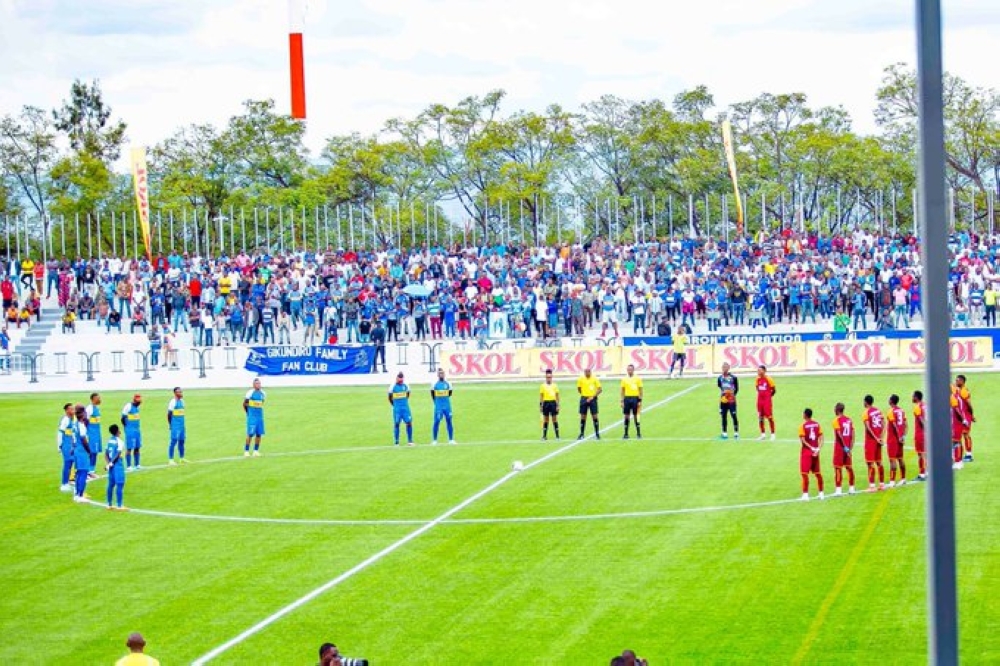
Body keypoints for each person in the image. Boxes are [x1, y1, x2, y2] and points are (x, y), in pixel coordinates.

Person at [798, 408, 824, 501]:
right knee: (818, 473)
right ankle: (821, 494)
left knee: (804, 473)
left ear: (805, 415)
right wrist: (818, 448)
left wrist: (811, 447)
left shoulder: (803, 426)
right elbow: (821, 437)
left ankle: (805, 495)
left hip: (806, 452)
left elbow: (803, 440)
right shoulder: (817, 424)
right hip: (816, 452)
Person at [862, 394, 885, 491]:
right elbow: (884, 424)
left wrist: (875, 438)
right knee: (879, 462)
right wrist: (881, 437)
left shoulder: (866, 412)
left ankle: (872, 486)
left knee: (870, 463)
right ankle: (882, 484)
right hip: (879, 440)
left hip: (871, 441)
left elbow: (868, 427)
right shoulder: (878, 411)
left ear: (866, 402)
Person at [832, 402, 856, 495]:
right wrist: (850, 448)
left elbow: (839, 434)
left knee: (838, 468)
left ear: (837, 410)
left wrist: (845, 447)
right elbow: (853, 434)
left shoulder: (836, 420)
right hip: (848, 447)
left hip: (840, 447)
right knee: (849, 467)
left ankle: (838, 490)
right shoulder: (849, 420)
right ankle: (852, 488)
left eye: (834, 409)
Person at [429, 368, 455, 445]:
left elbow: (450, 393)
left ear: (444, 374)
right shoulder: (434, 384)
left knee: (449, 421)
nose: (441, 375)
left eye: (442, 373)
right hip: (438, 406)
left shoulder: (448, 384)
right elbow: (432, 394)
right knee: (437, 421)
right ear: (437, 375)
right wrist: (436, 402)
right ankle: (434, 440)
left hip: (447, 406)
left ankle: (451, 440)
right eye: (440, 373)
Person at [886, 394, 908, 487]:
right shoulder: (902, 411)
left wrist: (899, 436)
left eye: (889, 398)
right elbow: (906, 424)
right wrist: (903, 436)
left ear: (891, 401)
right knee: (900, 458)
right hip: (900, 438)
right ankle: (903, 479)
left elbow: (894, 425)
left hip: (893, 439)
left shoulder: (891, 411)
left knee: (892, 460)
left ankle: (892, 481)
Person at [71, 404, 92, 503]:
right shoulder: (81, 425)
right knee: (83, 473)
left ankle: (76, 494)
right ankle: (80, 495)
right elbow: (84, 439)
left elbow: (73, 438)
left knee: (79, 473)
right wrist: (89, 451)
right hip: (82, 451)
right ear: (83, 413)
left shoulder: (75, 424)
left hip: (76, 450)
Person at [105, 424, 128, 511]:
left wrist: (108, 464)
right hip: (117, 465)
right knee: (120, 484)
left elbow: (106, 454)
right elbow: (118, 454)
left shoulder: (109, 441)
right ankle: (119, 505)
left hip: (111, 465)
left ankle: (109, 504)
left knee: (111, 485)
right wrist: (111, 463)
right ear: (117, 431)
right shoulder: (120, 441)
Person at [389, 372, 414, 446]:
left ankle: (410, 441)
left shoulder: (406, 386)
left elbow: (408, 395)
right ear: (396, 378)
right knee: (397, 423)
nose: (400, 380)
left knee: (409, 423)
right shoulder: (392, 387)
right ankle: (396, 442)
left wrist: (404, 403)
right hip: (397, 409)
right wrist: (394, 405)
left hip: (405, 408)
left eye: (401, 379)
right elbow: (390, 398)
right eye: (399, 379)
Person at [576, 367, 602, 440]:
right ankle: (581, 434)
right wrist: (584, 395)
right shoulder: (581, 379)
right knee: (583, 416)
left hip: (593, 399)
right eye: (586, 372)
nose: (587, 373)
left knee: (595, 416)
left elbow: (600, 389)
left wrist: (592, 396)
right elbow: (579, 389)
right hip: (584, 398)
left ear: (590, 372)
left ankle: (597, 434)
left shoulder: (594, 379)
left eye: (588, 371)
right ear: (584, 372)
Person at [953, 374, 975, 462]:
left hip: (965, 417)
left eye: (958, 380)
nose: (956, 381)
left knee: (966, 435)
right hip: (962, 417)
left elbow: (969, 404)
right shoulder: (960, 390)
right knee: (960, 436)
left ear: (962, 381)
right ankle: (962, 455)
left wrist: (972, 415)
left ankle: (969, 454)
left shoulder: (964, 391)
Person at [243, 378, 266, 457]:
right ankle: (246, 451)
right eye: (257, 384)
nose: (258, 385)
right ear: (253, 385)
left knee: (259, 434)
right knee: (250, 434)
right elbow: (244, 404)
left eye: (259, 383)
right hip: (252, 417)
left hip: (260, 417)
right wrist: (248, 413)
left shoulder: (263, 393)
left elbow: (262, 402)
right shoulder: (250, 393)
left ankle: (256, 451)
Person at [717, 362, 739, 440]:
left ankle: (736, 433)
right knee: (723, 416)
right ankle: (724, 433)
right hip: (723, 400)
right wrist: (724, 396)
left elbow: (737, 389)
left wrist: (731, 396)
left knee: (733, 415)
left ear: (729, 368)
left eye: (726, 367)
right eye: (723, 367)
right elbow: (720, 387)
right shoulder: (719, 378)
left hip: (731, 400)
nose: (724, 369)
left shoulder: (734, 378)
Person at [620, 363, 643, 439]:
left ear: (633, 370)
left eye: (631, 369)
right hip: (627, 398)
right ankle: (626, 434)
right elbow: (622, 390)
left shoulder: (637, 378)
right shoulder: (624, 379)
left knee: (636, 416)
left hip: (635, 398)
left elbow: (640, 390)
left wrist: (640, 400)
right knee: (626, 416)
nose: (629, 371)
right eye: (628, 369)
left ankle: (638, 433)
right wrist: (622, 401)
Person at [121, 394, 143, 471]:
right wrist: (126, 427)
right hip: (130, 430)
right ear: (134, 400)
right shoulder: (128, 406)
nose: (139, 402)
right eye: (138, 400)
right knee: (129, 448)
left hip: (137, 430)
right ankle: (129, 466)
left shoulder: (137, 407)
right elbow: (123, 418)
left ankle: (137, 464)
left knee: (137, 447)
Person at [167, 386, 188, 465]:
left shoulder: (182, 401)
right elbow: (169, 414)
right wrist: (170, 424)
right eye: (179, 392)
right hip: (175, 425)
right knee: (173, 441)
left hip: (182, 425)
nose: (181, 393)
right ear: (175, 393)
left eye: (181, 391)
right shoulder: (173, 402)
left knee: (182, 441)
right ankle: (171, 459)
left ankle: (181, 458)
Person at [950, 385, 969, 470]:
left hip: (956, 423)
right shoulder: (957, 397)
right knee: (956, 441)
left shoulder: (953, 398)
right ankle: (958, 460)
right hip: (957, 422)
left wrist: (963, 419)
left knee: (956, 442)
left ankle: (958, 462)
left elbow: (957, 410)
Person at [755, 364, 776, 440]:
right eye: (758, 370)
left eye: (760, 370)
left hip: (767, 401)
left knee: (769, 417)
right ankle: (763, 434)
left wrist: (768, 397)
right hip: (759, 401)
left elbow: (774, 390)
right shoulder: (757, 379)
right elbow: (757, 388)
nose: (758, 372)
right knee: (760, 418)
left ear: (764, 371)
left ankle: (773, 434)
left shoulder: (769, 379)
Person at [84, 392, 103, 480]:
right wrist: (86, 433)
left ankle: (91, 470)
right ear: (93, 399)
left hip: (96, 433)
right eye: (97, 398)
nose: (99, 399)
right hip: (91, 434)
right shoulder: (89, 408)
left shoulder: (97, 408)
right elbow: (85, 420)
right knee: (92, 452)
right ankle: (89, 471)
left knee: (94, 452)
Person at [57, 403, 75, 492]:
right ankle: (64, 484)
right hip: (66, 445)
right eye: (71, 409)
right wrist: (59, 446)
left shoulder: (71, 419)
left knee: (70, 463)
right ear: (67, 410)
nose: (73, 411)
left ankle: (67, 483)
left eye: (73, 409)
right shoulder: (65, 420)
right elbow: (60, 433)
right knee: (67, 464)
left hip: (70, 444)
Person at [539, 368, 560, 440]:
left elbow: (557, 396)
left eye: (550, 377)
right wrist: (541, 405)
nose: (549, 379)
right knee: (546, 420)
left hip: (553, 403)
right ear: (545, 377)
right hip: (546, 403)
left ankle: (557, 436)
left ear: (552, 377)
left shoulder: (555, 385)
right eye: (547, 377)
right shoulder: (542, 386)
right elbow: (541, 396)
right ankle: (544, 436)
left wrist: (558, 405)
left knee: (554, 419)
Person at [912, 390, 927, 481]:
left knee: (920, 454)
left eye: (913, 396)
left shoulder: (917, 407)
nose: (912, 398)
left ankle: (922, 474)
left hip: (921, 433)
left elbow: (921, 419)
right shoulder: (925, 405)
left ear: (916, 397)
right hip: (926, 432)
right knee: (926, 453)